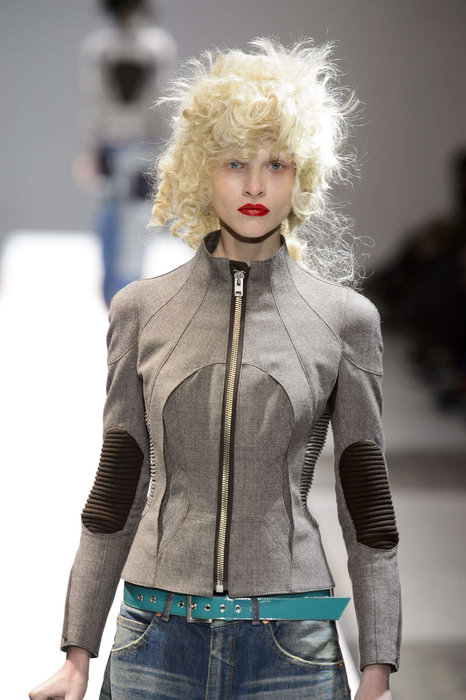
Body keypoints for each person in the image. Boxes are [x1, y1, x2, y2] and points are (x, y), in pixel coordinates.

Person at [30, 38, 401, 700]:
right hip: (155, 639)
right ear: (203, 172)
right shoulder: (142, 311)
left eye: (276, 164)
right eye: (235, 163)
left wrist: (377, 668)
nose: (256, 185)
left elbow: (366, 506)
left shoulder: (344, 320)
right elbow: (116, 489)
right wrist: (76, 655)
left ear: (302, 175)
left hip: (292, 646)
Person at [75, 0, 177, 307]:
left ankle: (127, 298)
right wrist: (90, 152)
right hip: (113, 147)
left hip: (142, 149)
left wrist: (166, 155)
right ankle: (115, 299)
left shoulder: (156, 47)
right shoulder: (100, 48)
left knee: (136, 224)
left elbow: (162, 102)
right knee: (112, 223)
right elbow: (95, 103)